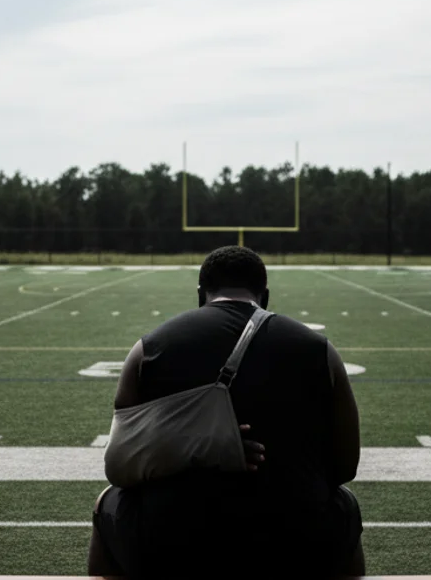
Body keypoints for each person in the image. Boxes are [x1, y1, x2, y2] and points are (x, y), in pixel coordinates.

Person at [87, 245, 364, 578]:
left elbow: (119, 466)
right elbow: (345, 466)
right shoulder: (321, 351)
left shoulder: (147, 349)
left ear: (200, 294)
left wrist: (194, 447)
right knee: (345, 506)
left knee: (107, 501)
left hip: (174, 540)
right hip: (297, 542)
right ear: (265, 296)